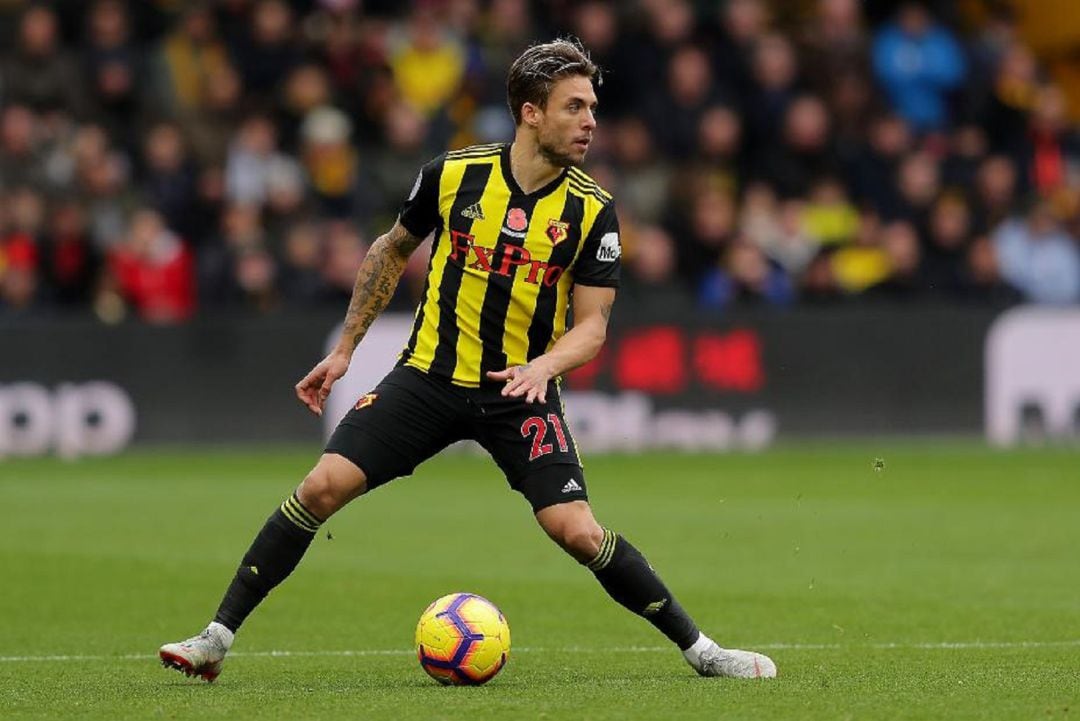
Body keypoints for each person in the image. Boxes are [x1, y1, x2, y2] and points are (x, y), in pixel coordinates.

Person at [158, 39, 777, 683]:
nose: (591, 119)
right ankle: (215, 639)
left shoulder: (593, 209)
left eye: (593, 106)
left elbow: (592, 327)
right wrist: (346, 349)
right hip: (429, 377)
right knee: (320, 487)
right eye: (575, 106)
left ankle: (703, 651)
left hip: (521, 391)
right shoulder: (454, 174)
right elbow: (390, 250)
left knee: (577, 530)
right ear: (530, 113)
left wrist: (544, 368)